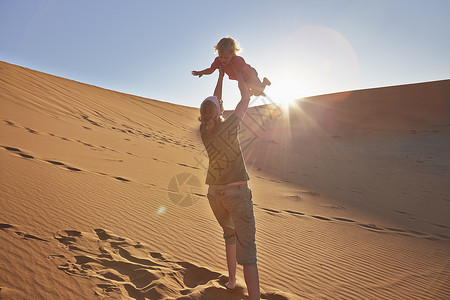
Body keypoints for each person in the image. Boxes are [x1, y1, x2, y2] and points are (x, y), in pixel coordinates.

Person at [198, 66, 260, 299]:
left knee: (229, 236)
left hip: (215, 196)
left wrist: (221, 75)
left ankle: (233, 281)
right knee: (249, 252)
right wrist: (240, 75)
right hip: (236, 195)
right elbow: (244, 98)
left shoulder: (204, 129)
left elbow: (215, 103)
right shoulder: (231, 124)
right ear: (220, 110)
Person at [192, 37, 271, 97]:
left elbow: (248, 71)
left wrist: (256, 82)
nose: (223, 60)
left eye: (226, 57)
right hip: (242, 79)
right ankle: (257, 91)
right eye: (221, 56)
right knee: (247, 93)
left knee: (256, 92)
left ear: (232, 54)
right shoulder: (218, 60)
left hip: (250, 75)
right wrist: (202, 72)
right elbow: (211, 70)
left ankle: (263, 83)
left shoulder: (237, 60)